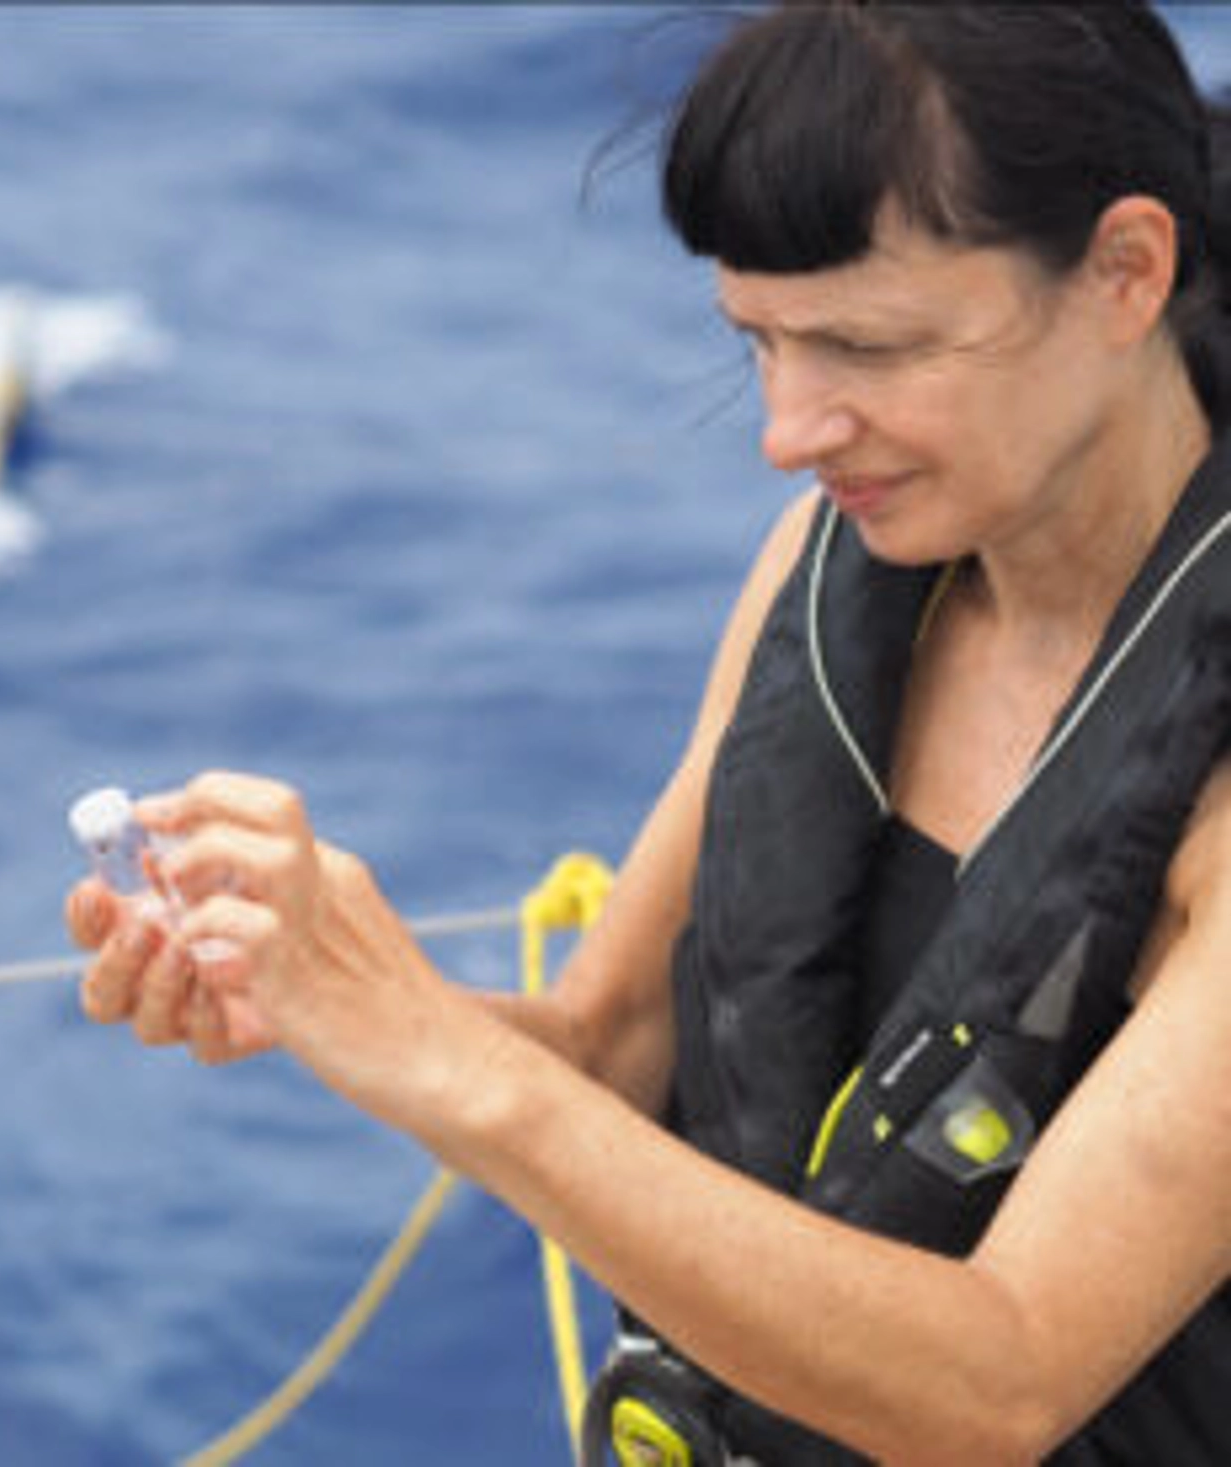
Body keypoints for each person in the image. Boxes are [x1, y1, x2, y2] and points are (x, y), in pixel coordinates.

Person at [66, 4, 1231, 1462]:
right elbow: (610, 1044)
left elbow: (1003, 1378)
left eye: (870, 345)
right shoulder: (827, 574)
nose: (790, 430)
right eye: (758, 343)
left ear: (1127, 270)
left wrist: (440, 1054)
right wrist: (320, 1003)